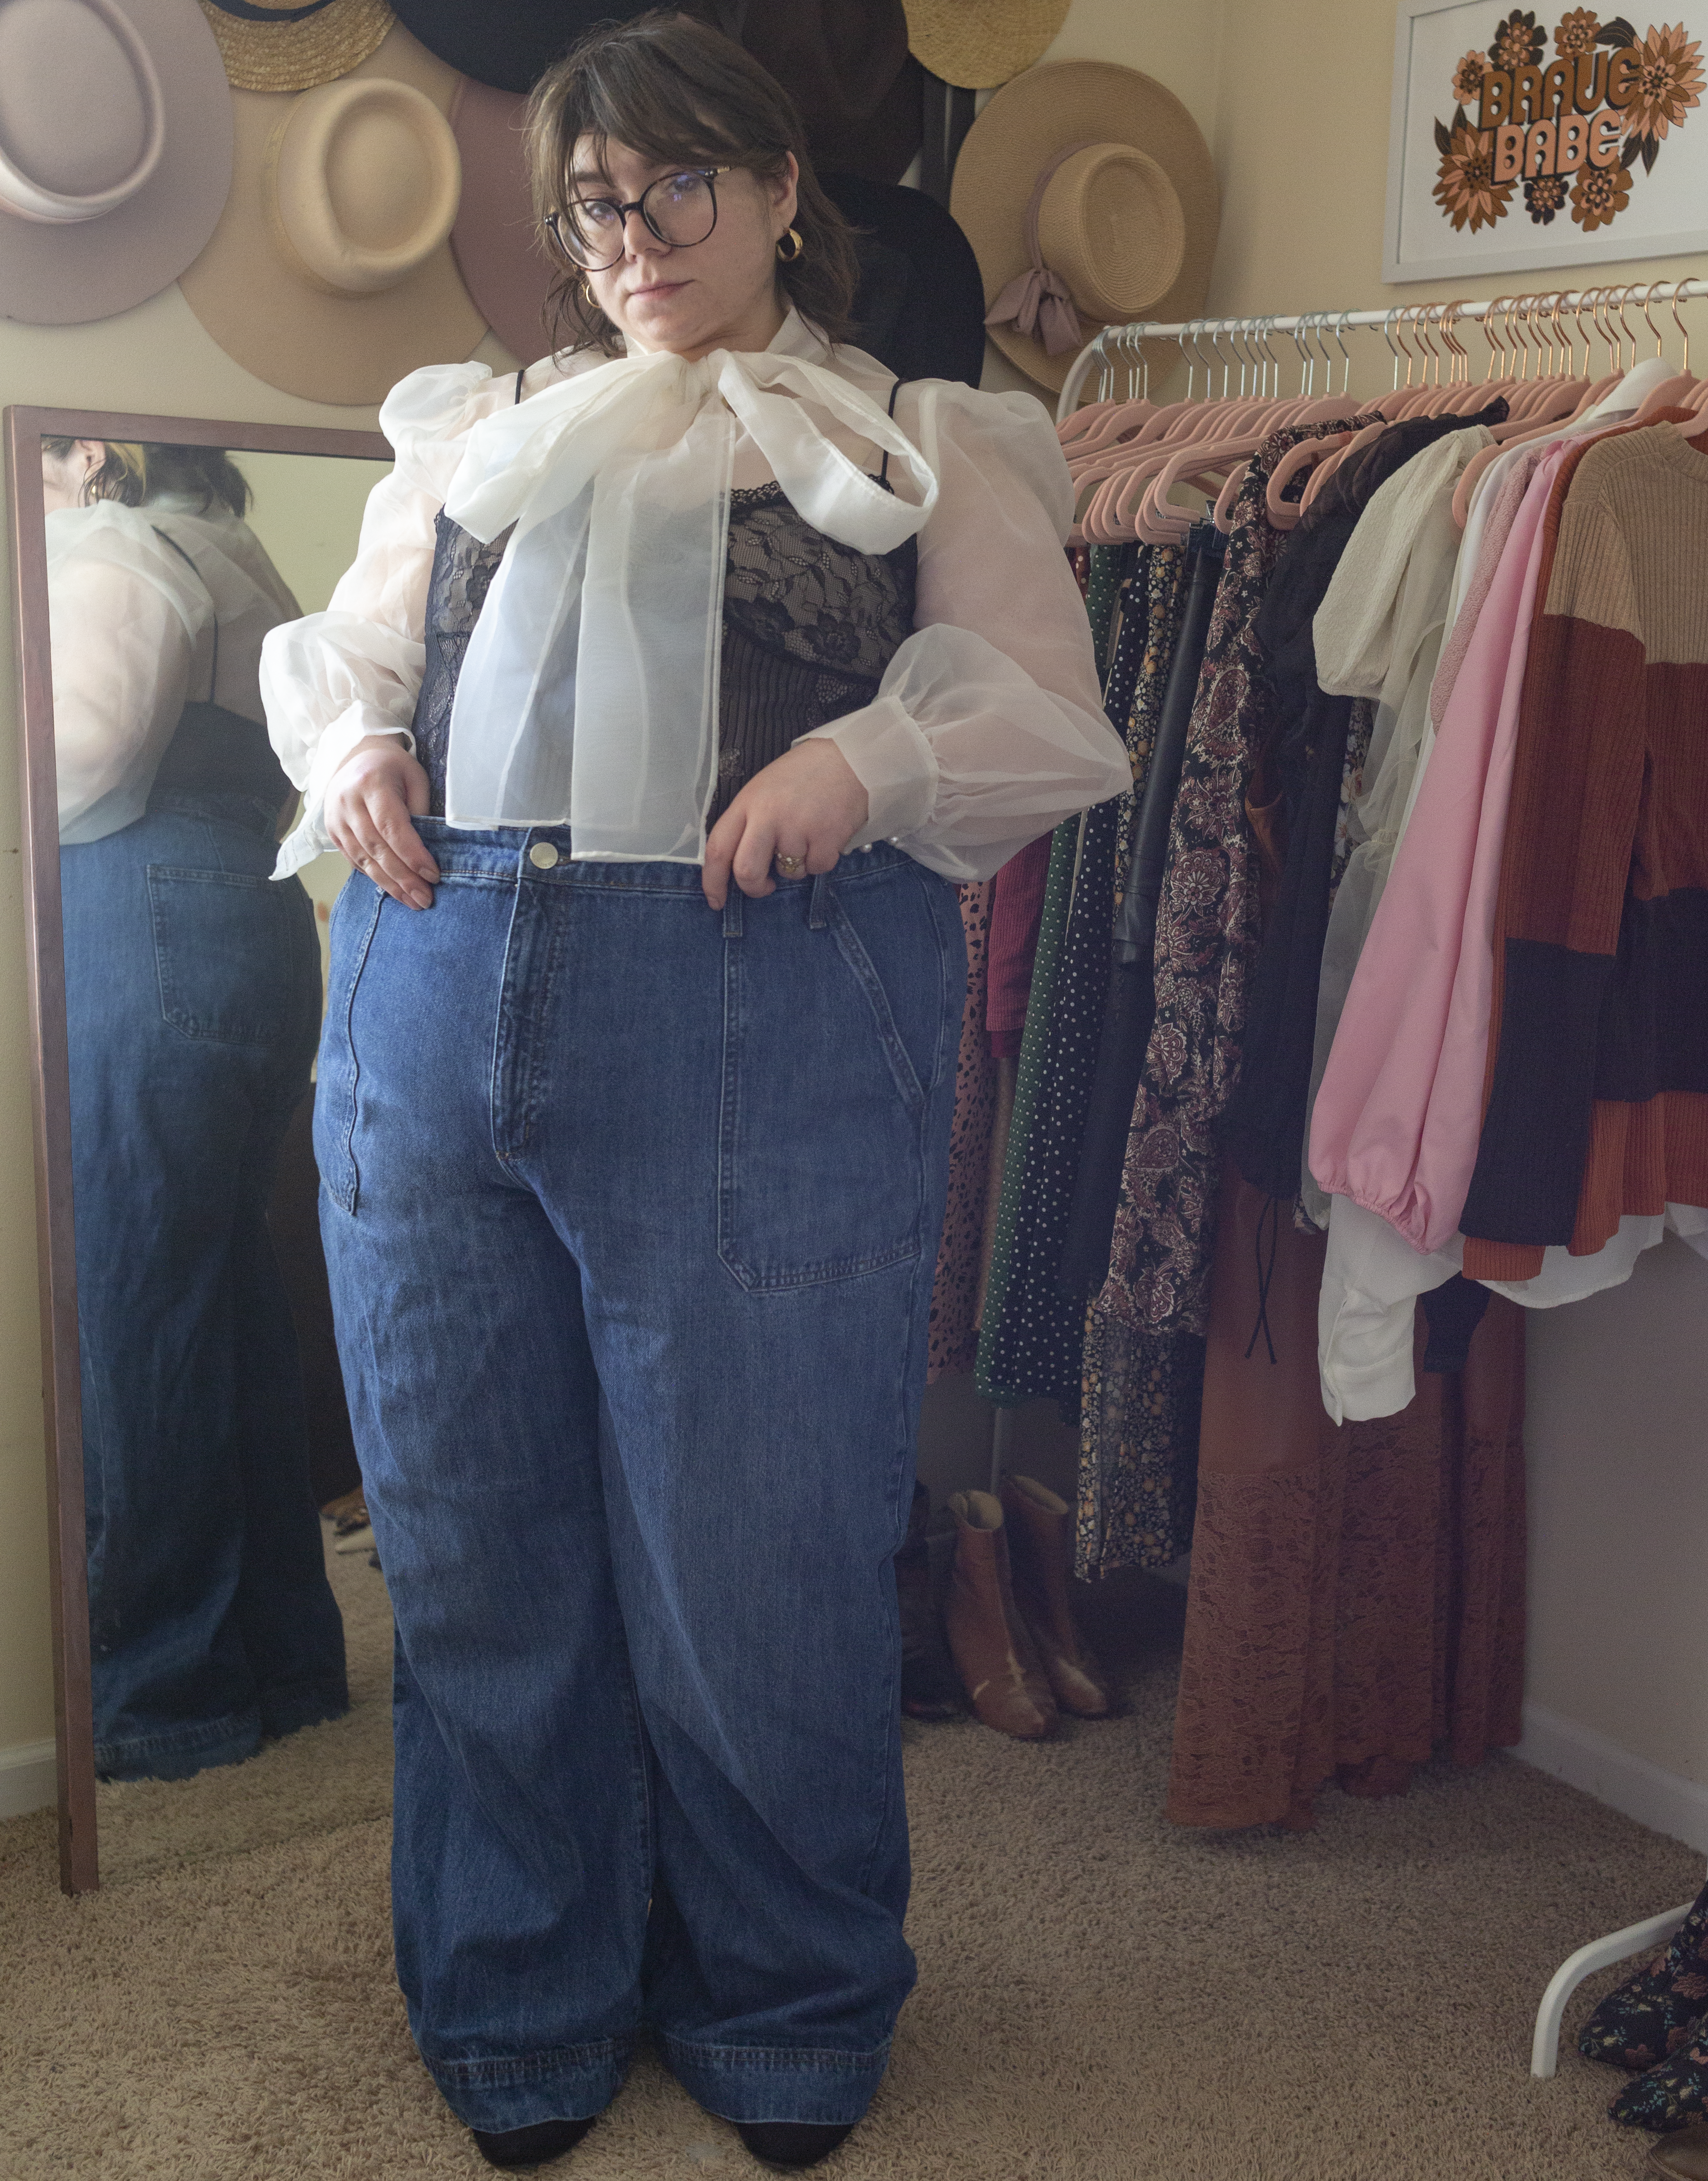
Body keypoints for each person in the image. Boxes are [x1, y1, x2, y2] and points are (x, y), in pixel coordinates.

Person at [262, 13, 1127, 2171]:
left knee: (758, 1563)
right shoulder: (476, 426)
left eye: (677, 190)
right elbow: (352, 658)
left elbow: (1043, 716)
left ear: (780, 192)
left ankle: (790, 1988)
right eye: (594, 203)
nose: (633, 238)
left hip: (766, 1012)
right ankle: (521, 1980)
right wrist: (354, 751)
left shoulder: (913, 433)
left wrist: (872, 758)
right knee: (472, 1544)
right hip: (434, 988)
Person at [46, 436, 348, 1782]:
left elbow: (92, 753)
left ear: (91, 457)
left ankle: (164, 1692)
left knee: (139, 1310)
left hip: (149, 927)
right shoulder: (240, 562)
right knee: (226, 1297)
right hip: (249, 922)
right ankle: (282, 1657)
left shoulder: (116, 551)